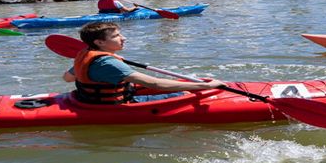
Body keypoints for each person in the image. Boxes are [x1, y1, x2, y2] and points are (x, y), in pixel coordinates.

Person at [62, 22, 224, 104]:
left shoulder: (84, 55)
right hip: (113, 106)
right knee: (185, 94)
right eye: (116, 36)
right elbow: (157, 84)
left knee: (181, 84)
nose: (123, 38)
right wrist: (208, 86)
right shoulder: (108, 64)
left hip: (88, 100)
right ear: (100, 42)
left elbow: (67, 78)